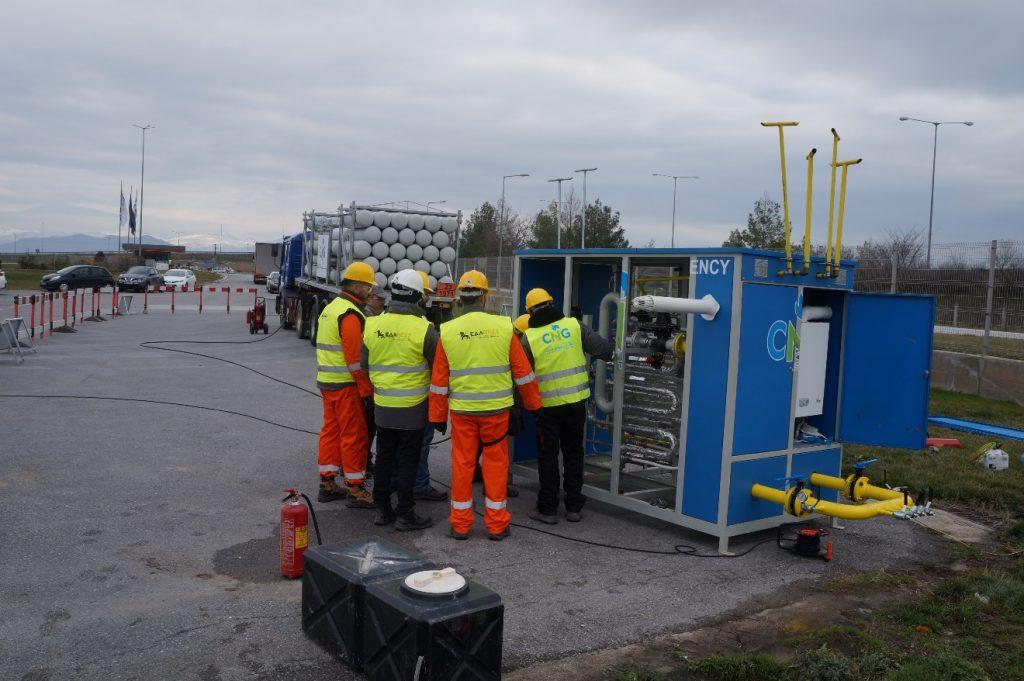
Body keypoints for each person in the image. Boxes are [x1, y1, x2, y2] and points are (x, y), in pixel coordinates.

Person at [429, 270, 541, 541]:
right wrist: (534, 404)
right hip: (496, 413)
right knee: (495, 466)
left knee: (463, 465)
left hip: (463, 413)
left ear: (460, 299)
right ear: (485, 296)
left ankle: (459, 524)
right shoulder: (503, 327)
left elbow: (439, 380)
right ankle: (497, 524)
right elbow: (523, 372)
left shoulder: (448, 331)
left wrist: (437, 416)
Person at [520, 287, 612, 524]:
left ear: (529, 311)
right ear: (552, 303)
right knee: (573, 453)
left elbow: (522, 376)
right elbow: (603, 350)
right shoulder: (574, 325)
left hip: (547, 408)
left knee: (548, 457)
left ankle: (548, 509)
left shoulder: (529, 338)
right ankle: (573, 507)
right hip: (576, 404)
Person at [361, 269, 436, 530]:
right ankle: (405, 514)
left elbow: (365, 366)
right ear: (417, 298)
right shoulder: (424, 329)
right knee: (407, 460)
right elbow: (438, 369)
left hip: (383, 406)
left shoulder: (372, 325)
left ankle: (382, 510)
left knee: (383, 457)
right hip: (414, 409)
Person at [315, 261, 375, 508]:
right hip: (346, 386)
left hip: (328, 382)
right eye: (368, 286)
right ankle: (355, 487)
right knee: (354, 436)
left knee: (331, 432)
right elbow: (354, 360)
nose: (370, 292)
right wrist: (365, 388)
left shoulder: (332, 308)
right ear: (358, 285)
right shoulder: (350, 314)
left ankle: (327, 483)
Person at [411, 270, 447, 502]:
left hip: (387, 400)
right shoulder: (423, 327)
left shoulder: (381, 321)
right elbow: (437, 365)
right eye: (425, 294)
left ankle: (398, 480)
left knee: (395, 445)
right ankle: (420, 484)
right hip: (418, 396)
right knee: (421, 442)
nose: (427, 299)